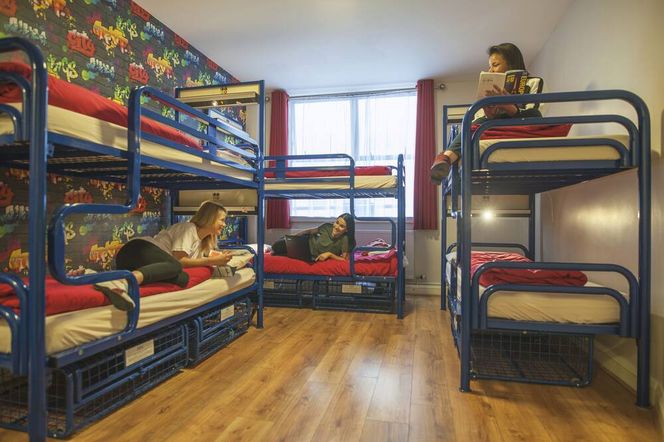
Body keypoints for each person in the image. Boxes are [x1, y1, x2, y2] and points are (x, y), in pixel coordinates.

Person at [430, 42, 542, 183]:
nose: (491, 70)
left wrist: (510, 107)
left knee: (535, 115)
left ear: (511, 65)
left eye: (495, 65)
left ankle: (446, 157)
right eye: (490, 66)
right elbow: (481, 120)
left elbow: (536, 117)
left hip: (522, 124)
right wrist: (490, 114)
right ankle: (444, 160)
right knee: (473, 124)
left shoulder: (534, 83)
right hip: (495, 125)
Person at [93, 200, 233, 311]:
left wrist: (215, 259)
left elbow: (189, 264)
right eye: (221, 220)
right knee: (176, 265)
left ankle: (108, 277)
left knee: (183, 278)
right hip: (137, 250)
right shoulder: (188, 228)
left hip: (142, 262)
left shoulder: (201, 243)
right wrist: (211, 261)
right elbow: (181, 261)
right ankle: (121, 282)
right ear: (209, 218)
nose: (224, 224)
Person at [271, 213, 356, 262]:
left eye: (341, 226)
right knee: (277, 245)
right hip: (304, 242)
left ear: (347, 230)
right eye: (337, 222)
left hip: (309, 254)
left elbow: (344, 259)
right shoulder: (327, 226)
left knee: (278, 251)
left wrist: (330, 254)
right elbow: (310, 231)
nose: (337, 227)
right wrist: (294, 236)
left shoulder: (345, 239)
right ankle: (271, 247)